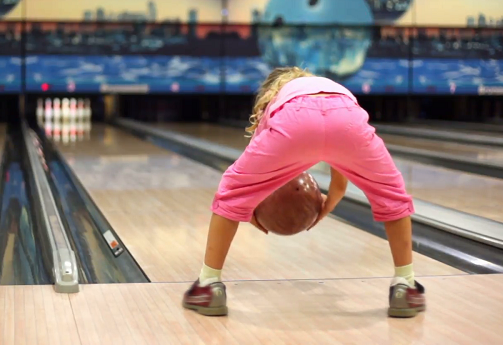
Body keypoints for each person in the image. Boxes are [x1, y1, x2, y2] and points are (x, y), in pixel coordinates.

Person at [182, 67, 426, 318]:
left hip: (294, 118)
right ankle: (405, 285)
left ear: (270, 91)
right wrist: (333, 198)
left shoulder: (278, 99)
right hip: (347, 117)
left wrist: (246, 207)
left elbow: (249, 178)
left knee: (231, 190)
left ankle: (208, 285)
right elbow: (338, 160)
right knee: (392, 193)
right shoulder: (329, 87)